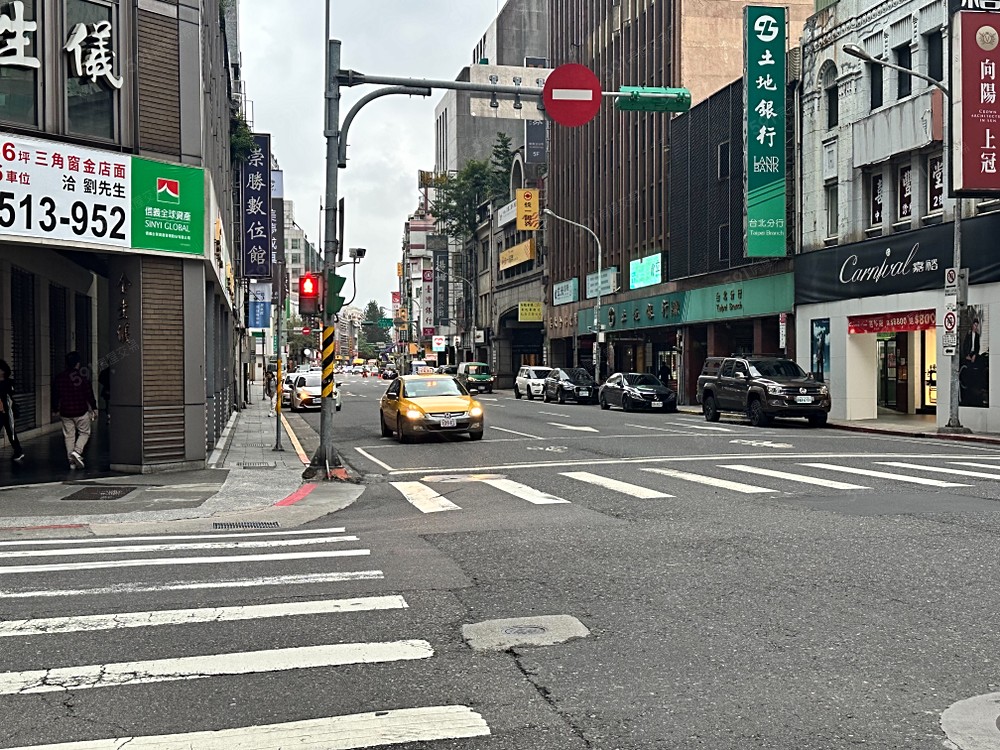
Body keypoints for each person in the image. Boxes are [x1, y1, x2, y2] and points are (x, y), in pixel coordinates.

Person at [52, 352, 97, 470]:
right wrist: (94, 407)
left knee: (69, 436)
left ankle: (71, 462)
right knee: (84, 433)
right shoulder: (82, 377)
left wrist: (55, 408)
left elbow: (55, 394)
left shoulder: (60, 378)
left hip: (65, 411)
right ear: (78, 364)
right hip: (81, 410)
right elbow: (89, 393)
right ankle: (77, 452)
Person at [0, 360, 24, 462]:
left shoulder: (9, 382)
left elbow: (10, 395)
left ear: (3, 370)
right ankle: (18, 451)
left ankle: (18, 451)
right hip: (2, 411)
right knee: (11, 432)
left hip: (7, 411)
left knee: (11, 433)